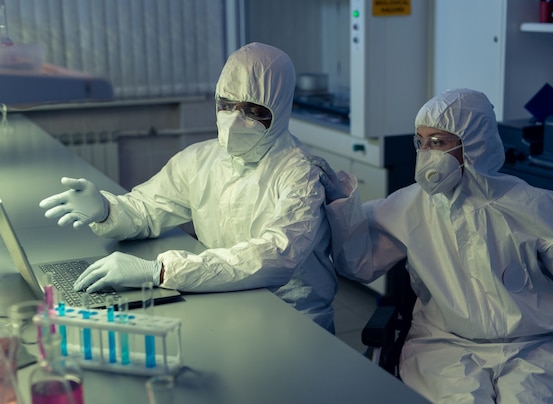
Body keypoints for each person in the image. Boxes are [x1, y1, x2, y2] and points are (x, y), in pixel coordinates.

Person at [312, 88, 553, 404]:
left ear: (473, 144)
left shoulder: (533, 206)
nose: (426, 154)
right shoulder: (411, 205)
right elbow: (359, 263)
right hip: (444, 345)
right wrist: (340, 204)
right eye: (421, 142)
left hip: (532, 348)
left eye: (439, 142)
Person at [39, 42, 338, 332]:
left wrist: (160, 271)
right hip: (227, 299)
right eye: (226, 104)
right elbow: (146, 208)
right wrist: (107, 210)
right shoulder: (200, 160)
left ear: (280, 110)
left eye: (252, 111)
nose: (234, 123)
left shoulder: (301, 175)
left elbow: (274, 257)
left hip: (292, 320)